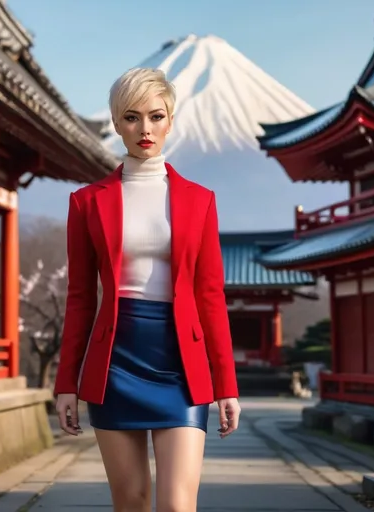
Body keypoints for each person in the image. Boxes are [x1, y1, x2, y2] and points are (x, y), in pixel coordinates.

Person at [54, 67, 240, 512]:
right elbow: (80, 298)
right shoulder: (86, 202)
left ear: (171, 120)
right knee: (132, 501)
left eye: (156, 117)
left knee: (177, 504)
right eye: (132, 118)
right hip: (115, 361)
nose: (145, 129)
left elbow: (210, 296)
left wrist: (226, 383)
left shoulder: (200, 200)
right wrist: (66, 383)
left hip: (182, 363)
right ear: (117, 124)